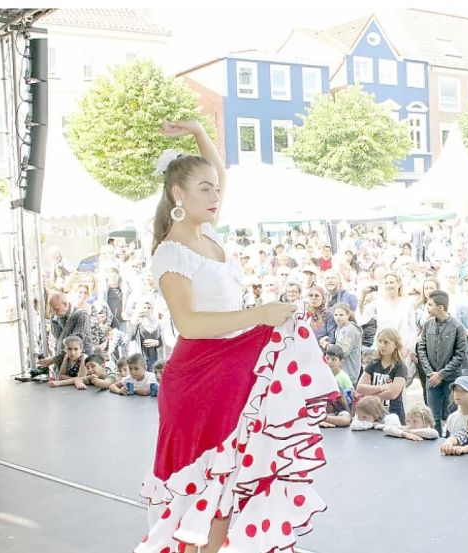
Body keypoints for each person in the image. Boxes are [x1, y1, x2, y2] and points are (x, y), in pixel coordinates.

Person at [137, 120, 335, 553]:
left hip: (231, 371)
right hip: (199, 380)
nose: (215, 195)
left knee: (228, 494)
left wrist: (195, 132)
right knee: (208, 501)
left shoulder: (205, 233)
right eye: (204, 190)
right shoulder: (172, 251)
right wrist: (261, 314)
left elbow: (221, 173)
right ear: (178, 195)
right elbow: (189, 324)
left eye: (216, 190)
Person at [416, 290, 468, 435]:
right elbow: (421, 348)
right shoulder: (428, 325)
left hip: (451, 379)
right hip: (431, 377)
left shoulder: (457, 327)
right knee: (433, 416)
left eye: (430, 304)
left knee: (452, 415)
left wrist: (441, 374)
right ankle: (435, 440)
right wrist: (430, 373)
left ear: (440, 307)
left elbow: (460, 354)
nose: (427, 307)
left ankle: (450, 441)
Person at [357, 328, 409, 424]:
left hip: (393, 413)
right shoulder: (373, 364)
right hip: (374, 413)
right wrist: (382, 387)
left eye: (386, 342)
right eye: (380, 341)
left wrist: (370, 394)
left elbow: (393, 394)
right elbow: (360, 388)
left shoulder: (400, 367)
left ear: (395, 345)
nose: (382, 345)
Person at [330, 303, 363, 384]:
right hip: (341, 372)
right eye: (336, 315)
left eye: (341, 315)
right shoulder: (339, 328)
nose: (338, 317)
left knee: (347, 395)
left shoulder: (350, 330)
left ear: (348, 315)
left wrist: (328, 346)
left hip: (349, 372)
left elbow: (343, 352)